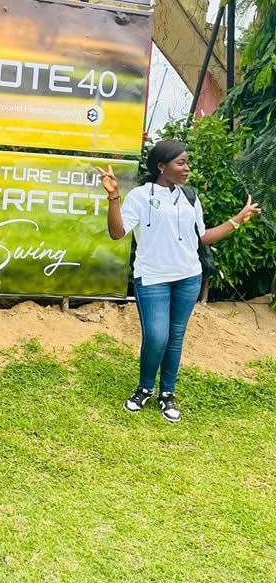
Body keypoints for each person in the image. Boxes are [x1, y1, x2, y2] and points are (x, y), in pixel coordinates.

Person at [99, 139, 261, 423]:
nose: (187, 168)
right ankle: (144, 388)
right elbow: (117, 232)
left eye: (188, 162)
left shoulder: (190, 197)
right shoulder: (139, 196)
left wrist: (237, 220)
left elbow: (202, 238)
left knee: (175, 338)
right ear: (161, 166)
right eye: (181, 163)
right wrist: (114, 197)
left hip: (188, 277)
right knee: (156, 337)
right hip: (152, 279)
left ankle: (167, 393)